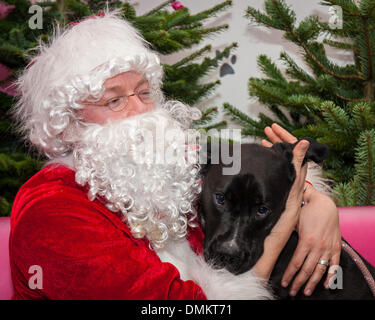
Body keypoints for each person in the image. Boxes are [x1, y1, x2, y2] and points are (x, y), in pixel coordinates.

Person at [9, 11, 341, 300]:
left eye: (143, 92)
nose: (141, 111)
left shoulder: (171, 169)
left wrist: (314, 203)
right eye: (114, 101)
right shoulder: (52, 210)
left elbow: (252, 185)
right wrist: (285, 226)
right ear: (68, 126)